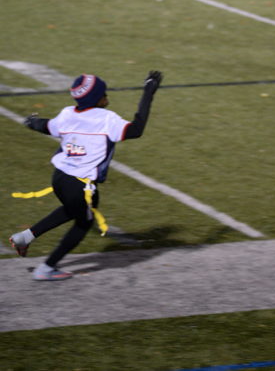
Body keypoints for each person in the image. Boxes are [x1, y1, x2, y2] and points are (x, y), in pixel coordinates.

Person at [9, 70, 163, 280]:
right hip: (80, 184)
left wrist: (31, 122)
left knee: (74, 210)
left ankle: (25, 237)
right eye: (103, 94)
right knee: (83, 223)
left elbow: (46, 126)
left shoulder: (67, 113)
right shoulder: (106, 119)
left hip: (60, 178)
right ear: (96, 98)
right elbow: (136, 129)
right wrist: (148, 92)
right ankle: (46, 268)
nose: (106, 96)